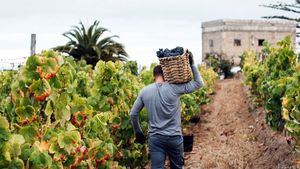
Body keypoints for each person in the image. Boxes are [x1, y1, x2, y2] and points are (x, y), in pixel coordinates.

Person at [130, 51, 205, 169]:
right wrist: (192, 64)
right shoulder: (175, 88)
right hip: (174, 138)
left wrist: (138, 132)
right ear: (166, 74)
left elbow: (133, 114)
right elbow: (199, 83)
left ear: (154, 76)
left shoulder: (144, 91)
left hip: (155, 139)